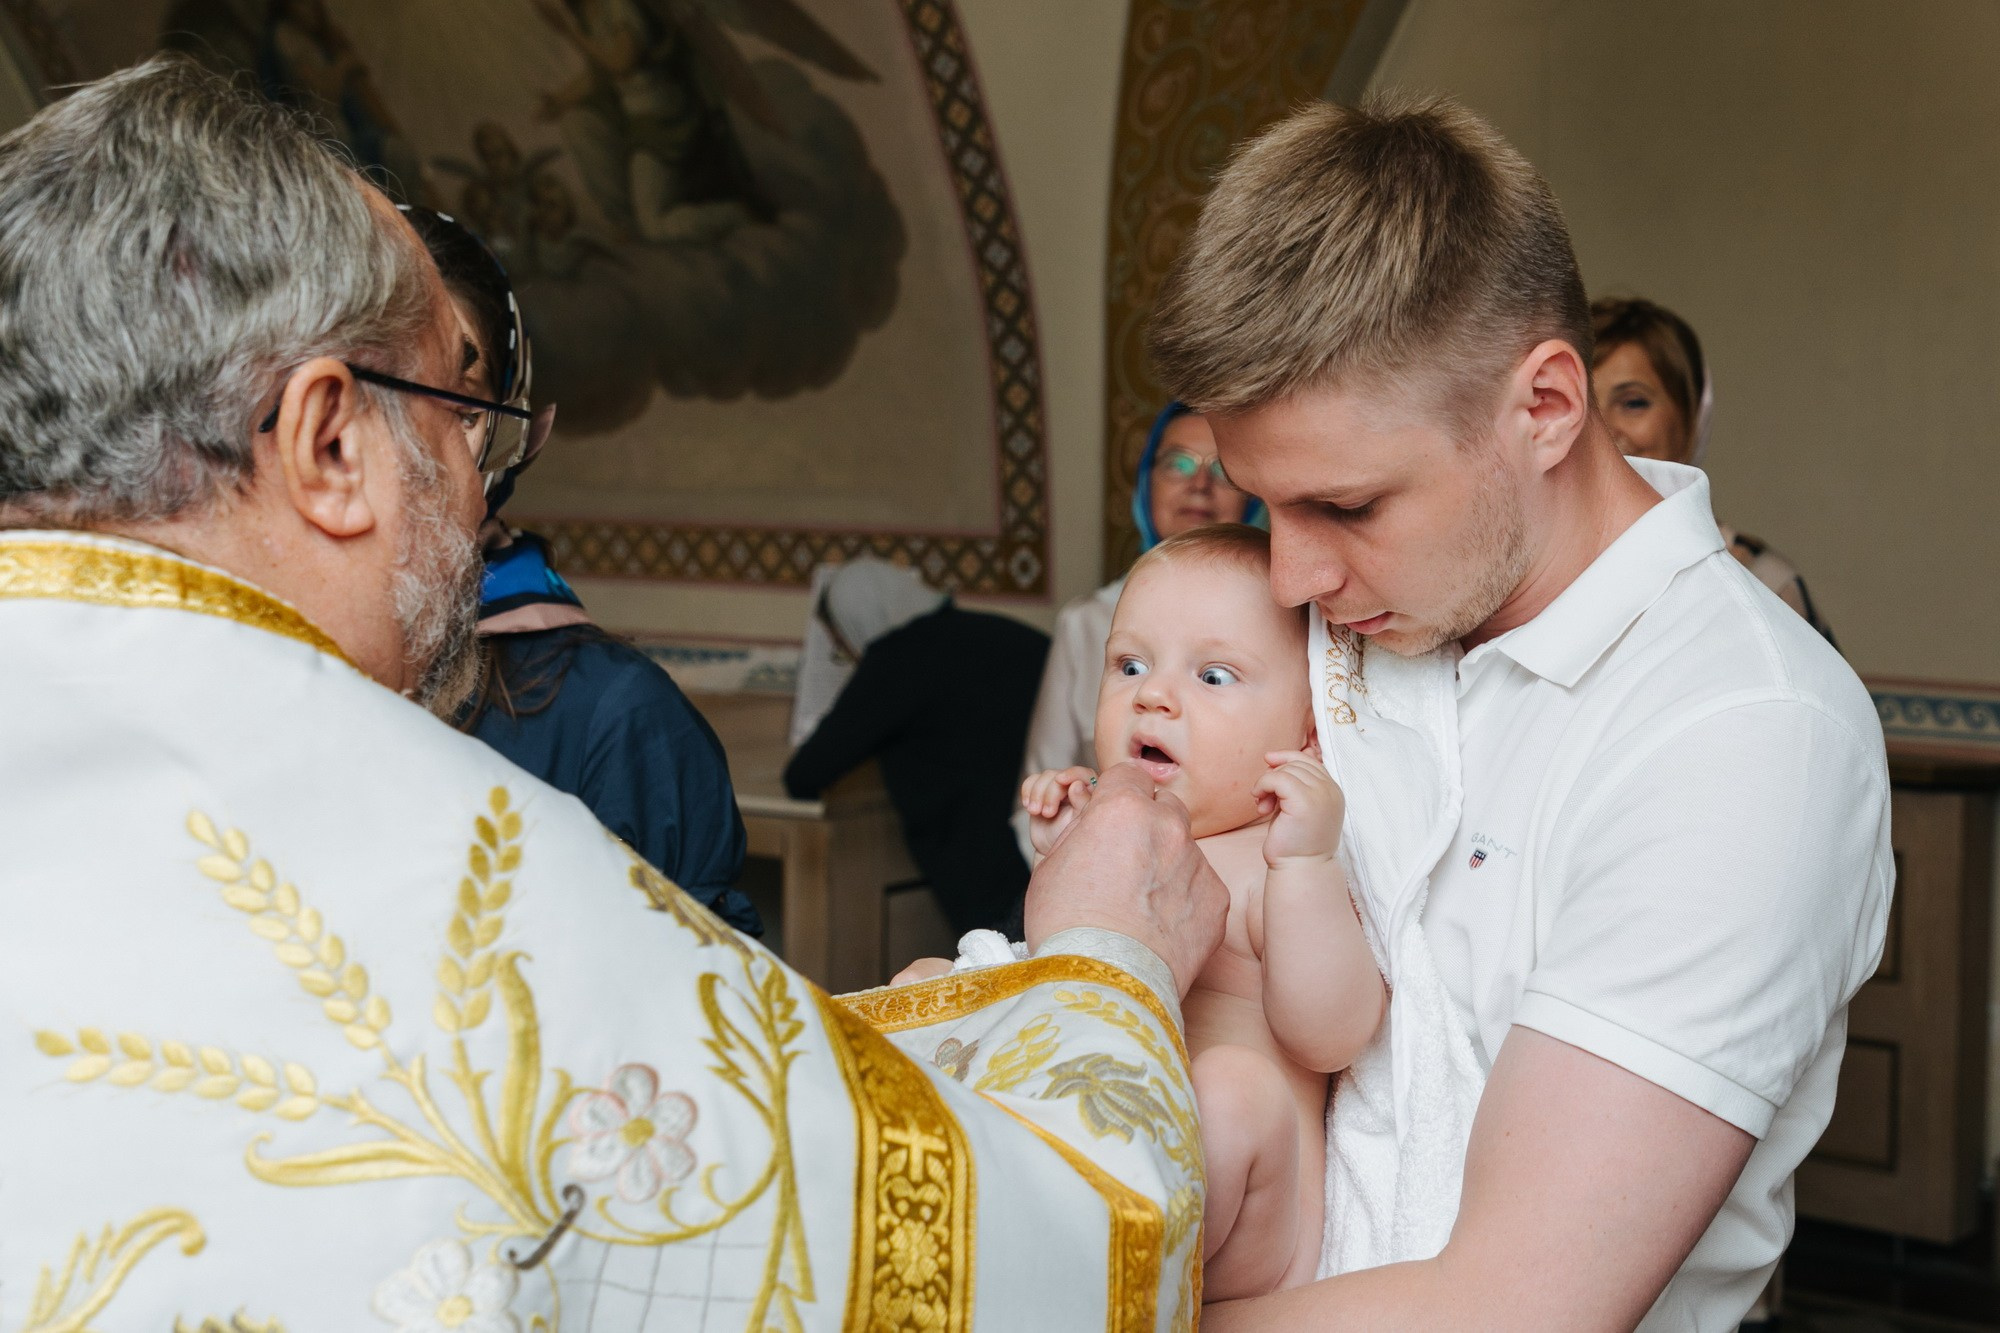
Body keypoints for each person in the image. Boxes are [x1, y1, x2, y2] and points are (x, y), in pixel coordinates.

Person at [0, 56, 1225, 1324]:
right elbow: (1042, 1264)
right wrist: (1104, 958)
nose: (475, 484)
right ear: (327, 447)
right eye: (455, 415)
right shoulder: (476, 892)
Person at [1068, 92, 1883, 1328]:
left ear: (1544, 407)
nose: (1289, 577)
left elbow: (1515, 1305)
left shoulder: (1743, 731)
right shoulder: (1342, 621)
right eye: (1263, 505)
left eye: (1346, 506)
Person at [1021, 525, 1384, 1299]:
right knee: (931, 980)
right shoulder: (1121, 831)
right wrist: (1062, 854)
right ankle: (1050, 1247)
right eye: (1130, 664)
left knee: (1226, 1089)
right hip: (1112, 1157)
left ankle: (1083, 1277)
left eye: (1213, 675)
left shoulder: (1274, 860)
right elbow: (1071, 979)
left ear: (1309, 734)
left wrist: (1305, 868)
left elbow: (1336, 1035)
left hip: (1253, 1216)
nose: (1151, 695)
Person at [399, 205, 761, 933]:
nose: (411, 455)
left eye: (459, 410)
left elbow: (690, 988)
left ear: (510, 433)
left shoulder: (618, 718)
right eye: (379, 400)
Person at [1014, 403, 1263, 857]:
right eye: (1177, 464)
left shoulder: (1287, 619)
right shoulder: (1086, 621)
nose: (1199, 484)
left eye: (1223, 469)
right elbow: (1038, 790)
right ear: (1147, 482)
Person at [784, 556, 1049, 935]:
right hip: (1052, 844)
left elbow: (805, 773)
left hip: (981, 865)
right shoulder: (1011, 635)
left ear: (856, 623)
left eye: (843, 644)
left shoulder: (896, 661)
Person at [1592, 295, 1837, 643]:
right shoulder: (1535, 577)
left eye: (1633, 402)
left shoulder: (1760, 581)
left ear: (1692, 421)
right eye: (1584, 404)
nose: (1600, 428)